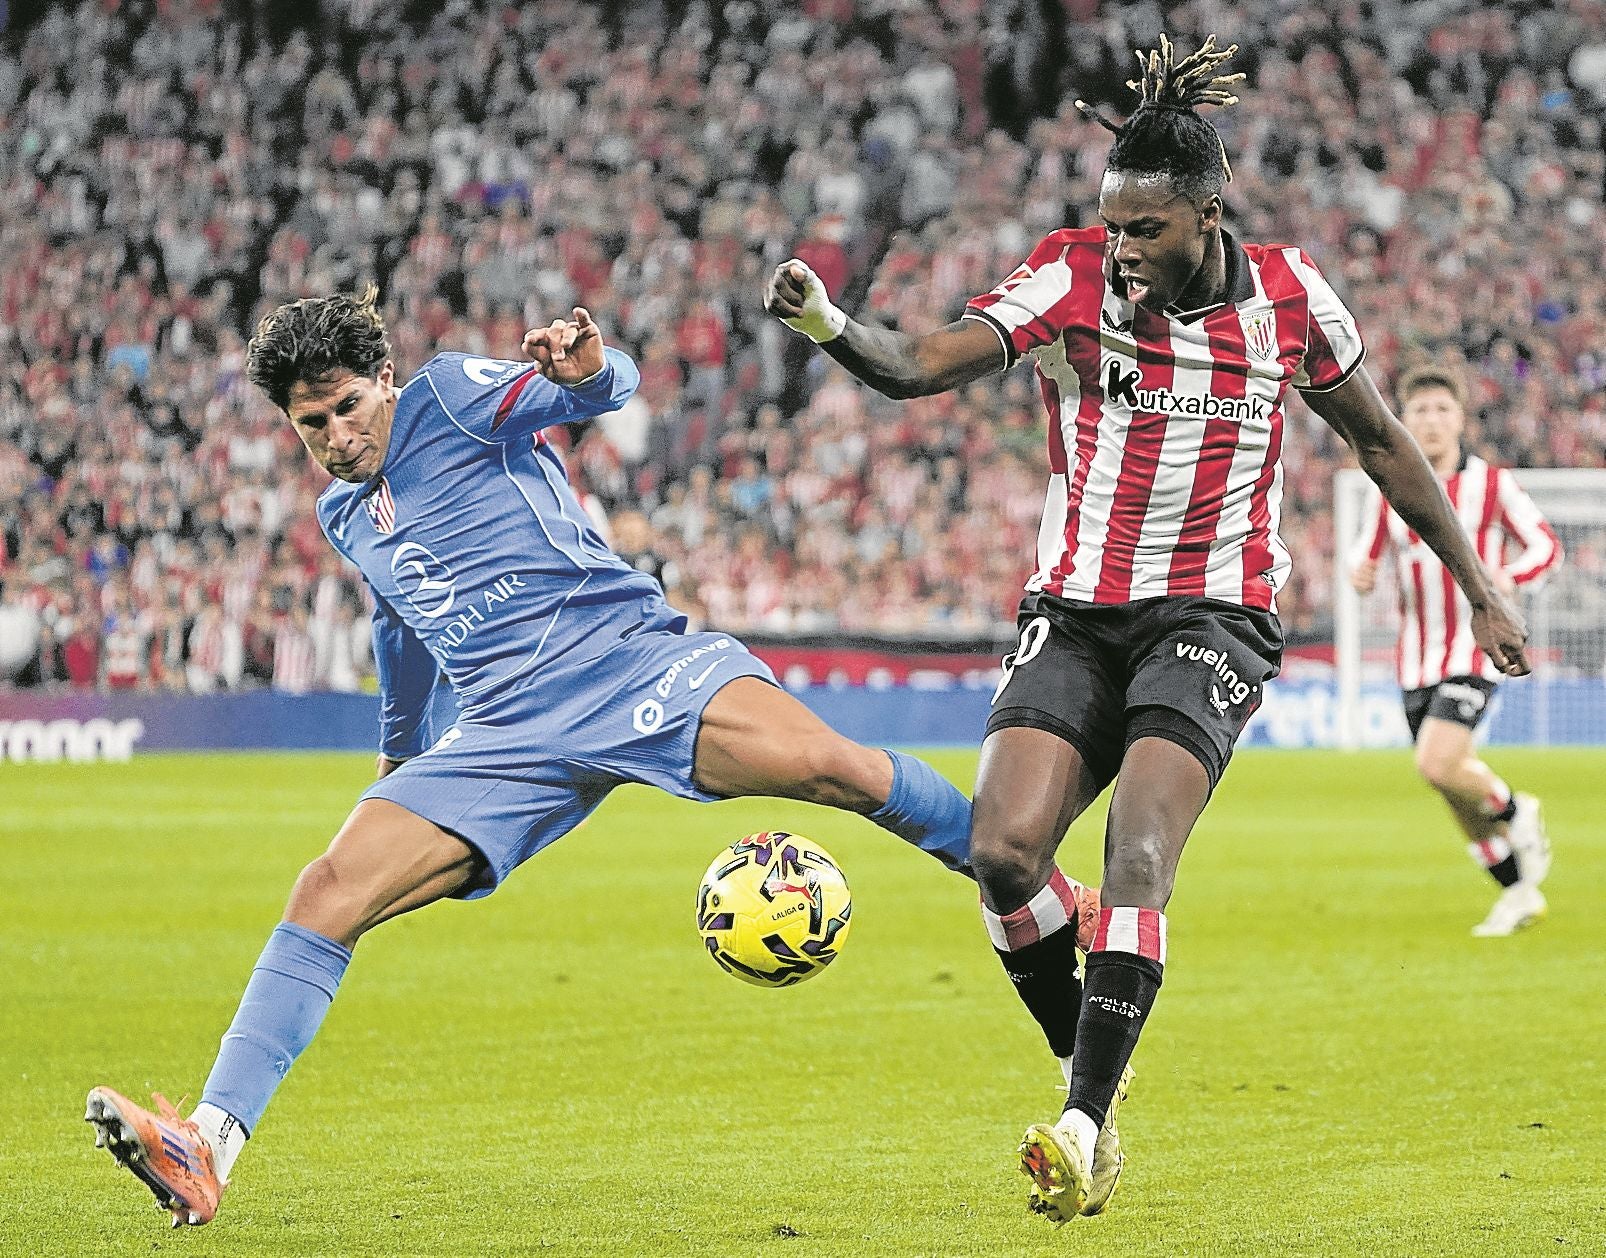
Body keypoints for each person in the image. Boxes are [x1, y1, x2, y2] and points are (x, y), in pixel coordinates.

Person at [764, 34, 1532, 1224]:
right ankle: (1099, 1092)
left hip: (1215, 617)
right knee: (1004, 858)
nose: (1122, 253)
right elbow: (920, 363)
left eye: (1147, 232)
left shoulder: (1287, 297)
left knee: (1135, 855)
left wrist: (1475, 581)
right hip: (1073, 614)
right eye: (1112, 228)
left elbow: (1378, 441)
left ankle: (1077, 1121)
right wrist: (827, 322)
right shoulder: (1068, 277)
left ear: (1206, 215)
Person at [84, 289, 978, 1228]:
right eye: (311, 423)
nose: (337, 435)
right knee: (326, 890)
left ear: (383, 380)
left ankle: (1026, 888)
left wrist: (587, 367)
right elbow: (403, 631)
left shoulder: (451, 396)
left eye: (347, 406)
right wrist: (399, 757)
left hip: (623, 662)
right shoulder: (344, 515)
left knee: (834, 769)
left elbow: (596, 395)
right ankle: (205, 1147)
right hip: (506, 733)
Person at [1350, 365, 1560, 936]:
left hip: (1473, 651)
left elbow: (1545, 545)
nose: (1432, 421)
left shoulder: (1491, 486)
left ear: (1461, 420)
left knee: (1437, 762)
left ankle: (1517, 810)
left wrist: (1505, 580)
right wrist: (1360, 571)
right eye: (1419, 411)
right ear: (1405, 420)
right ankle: (1517, 891)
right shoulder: (1391, 487)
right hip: (1414, 660)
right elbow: (1365, 556)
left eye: (1443, 410)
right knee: (1451, 789)